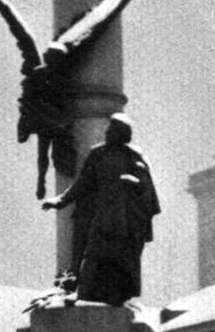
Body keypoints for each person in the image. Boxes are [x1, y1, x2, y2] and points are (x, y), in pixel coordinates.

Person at [43, 113, 160, 306]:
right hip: (104, 214)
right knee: (94, 252)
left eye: (112, 130)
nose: (107, 133)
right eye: (108, 130)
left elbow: (148, 192)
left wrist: (133, 184)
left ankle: (117, 296)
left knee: (121, 257)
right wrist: (60, 201)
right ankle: (87, 293)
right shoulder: (98, 154)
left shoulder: (133, 157)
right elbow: (82, 183)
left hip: (125, 217)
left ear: (122, 134)